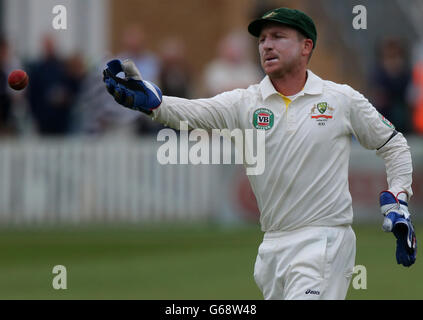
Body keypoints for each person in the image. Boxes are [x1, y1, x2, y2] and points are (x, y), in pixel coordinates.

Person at [102, 8, 416, 300]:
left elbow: (393, 144)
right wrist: (153, 103)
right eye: (262, 39)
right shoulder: (246, 102)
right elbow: (194, 112)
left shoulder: (340, 99)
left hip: (324, 239)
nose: (266, 45)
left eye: (278, 37)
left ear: (306, 46)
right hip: (272, 247)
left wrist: (398, 196)